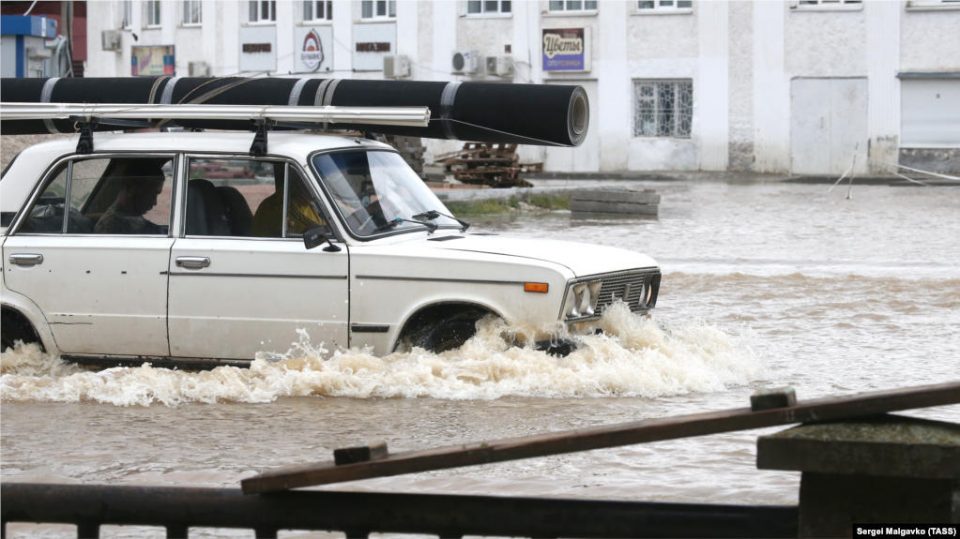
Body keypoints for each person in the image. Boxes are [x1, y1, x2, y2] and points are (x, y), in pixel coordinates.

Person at [94, 162, 166, 235]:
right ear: (131, 189)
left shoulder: (130, 217)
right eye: (152, 194)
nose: (155, 202)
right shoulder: (110, 227)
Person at [252, 168, 325, 237]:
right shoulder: (276, 206)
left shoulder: (310, 203)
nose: (320, 188)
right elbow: (311, 233)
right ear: (299, 181)